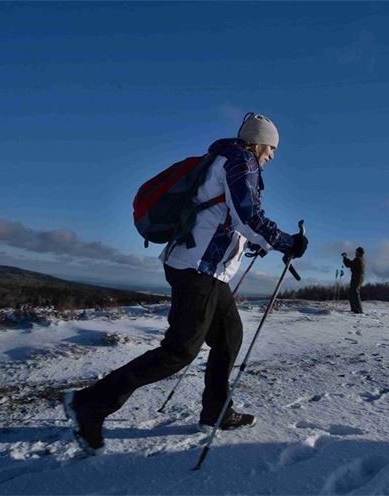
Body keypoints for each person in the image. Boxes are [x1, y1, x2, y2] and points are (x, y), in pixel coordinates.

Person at [63, 113, 308, 454]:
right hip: (198, 270)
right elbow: (248, 215)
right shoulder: (242, 160)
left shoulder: (223, 159)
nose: (271, 156)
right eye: (271, 148)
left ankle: (215, 411)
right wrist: (286, 242)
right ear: (259, 142)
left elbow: (221, 215)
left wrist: (254, 242)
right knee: (179, 351)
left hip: (205, 269)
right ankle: (89, 404)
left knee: (228, 338)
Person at [342, 247, 365, 314]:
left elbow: (349, 264)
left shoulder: (359, 259)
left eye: (356, 252)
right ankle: (354, 309)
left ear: (359, 252)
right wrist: (345, 258)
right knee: (351, 292)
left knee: (355, 292)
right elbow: (350, 264)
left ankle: (358, 310)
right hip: (356, 278)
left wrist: (345, 258)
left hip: (357, 278)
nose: (355, 253)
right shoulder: (359, 259)